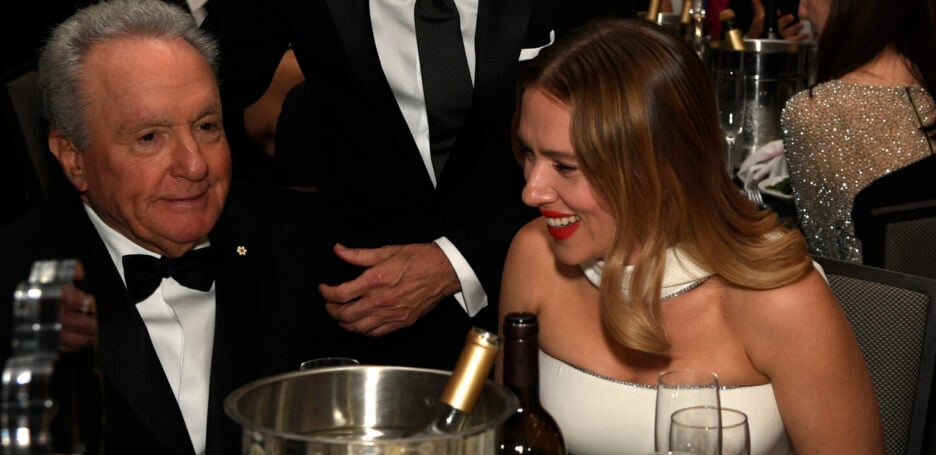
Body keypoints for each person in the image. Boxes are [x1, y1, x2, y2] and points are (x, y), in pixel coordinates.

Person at [500, 18, 890, 455]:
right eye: (528, 154)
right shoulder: (534, 258)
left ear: (659, 168)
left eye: (565, 167)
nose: (532, 190)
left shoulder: (777, 298)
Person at [0, 0, 320, 455]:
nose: (194, 164)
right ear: (74, 159)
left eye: (207, 125)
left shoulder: (300, 244)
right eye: (149, 138)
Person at [215, 0, 636, 370]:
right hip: (359, 305)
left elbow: (633, 147)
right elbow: (206, 86)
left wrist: (459, 260)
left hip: (542, 293)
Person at [780, 0, 936, 262]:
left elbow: (830, 262)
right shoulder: (932, 86)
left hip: (865, 289)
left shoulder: (814, 111)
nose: (802, 10)